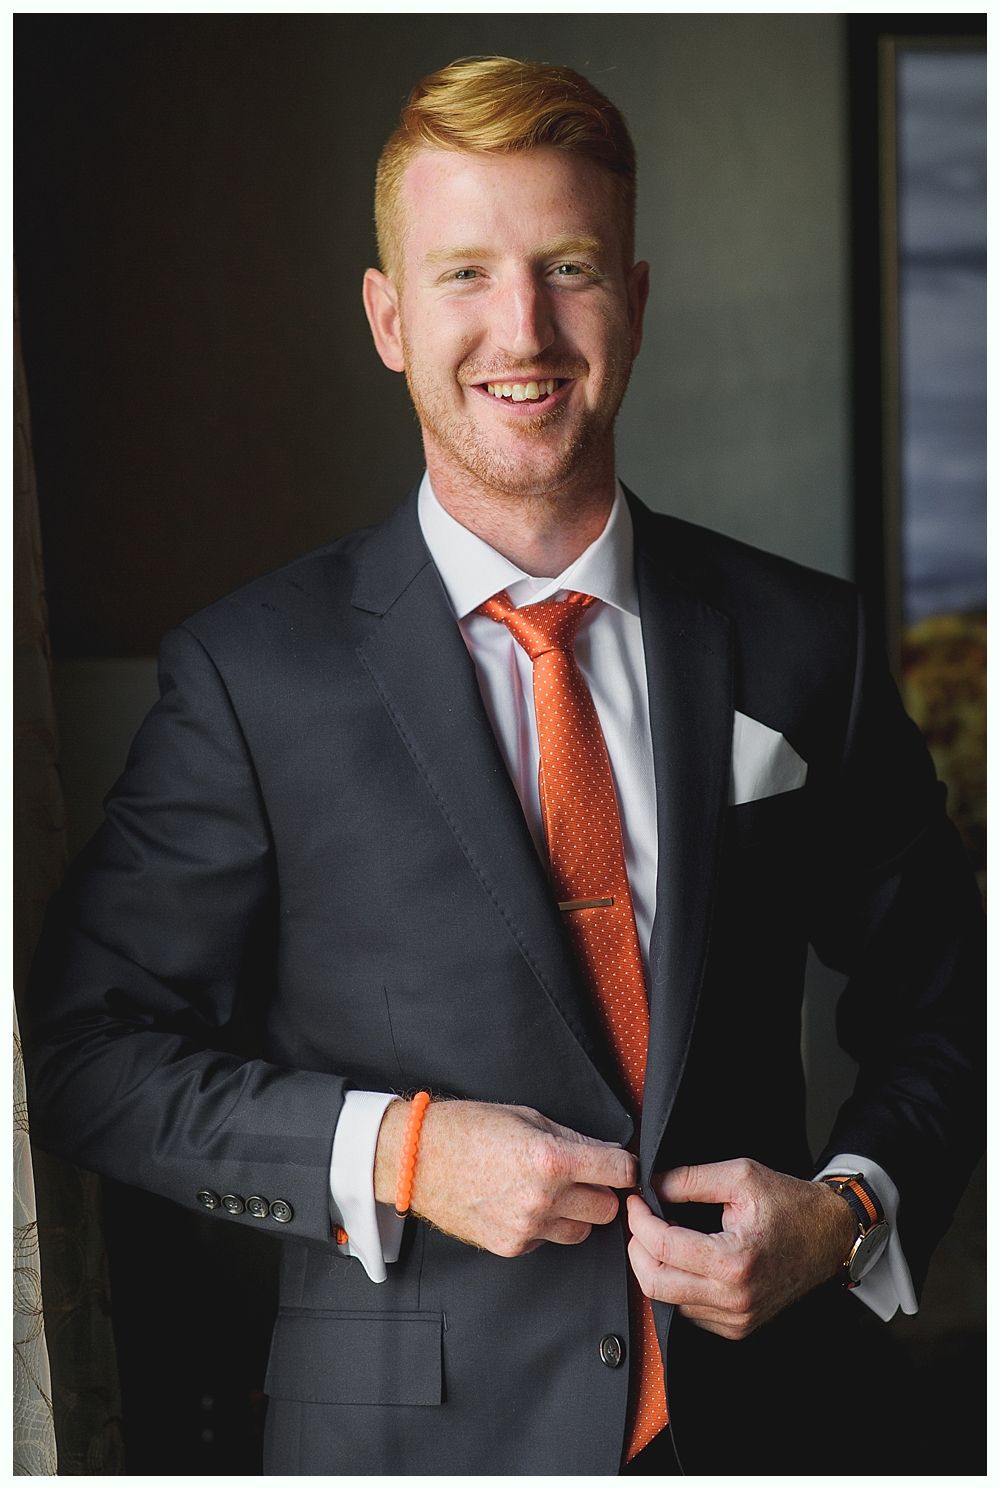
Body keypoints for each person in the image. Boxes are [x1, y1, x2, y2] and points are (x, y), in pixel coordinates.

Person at [26, 56, 983, 1476]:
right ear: (388, 317)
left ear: (637, 304)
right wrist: (399, 1151)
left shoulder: (807, 641)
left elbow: (958, 982)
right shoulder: (250, 675)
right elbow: (84, 1055)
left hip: (779, 1427)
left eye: (570, 267)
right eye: (465, 272)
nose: (521, 327)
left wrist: (850, 1208)